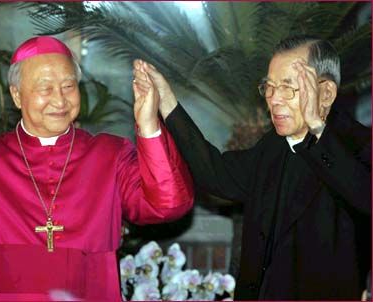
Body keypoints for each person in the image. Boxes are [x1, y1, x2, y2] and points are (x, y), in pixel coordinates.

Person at [0, 36, 194, 301]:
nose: (60, 100)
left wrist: (148, 125)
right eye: (45, 88)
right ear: (17, 95)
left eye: (68, 86)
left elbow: (167, 205)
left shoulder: (110, 154)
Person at [133, 35, 371, 300]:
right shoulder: (273, 146)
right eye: (269, 87)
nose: (274, 100)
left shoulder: (358, 145)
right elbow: (215, 173)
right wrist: (166, 101)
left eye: (288, 87)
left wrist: (317, 127)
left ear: (325, 93)